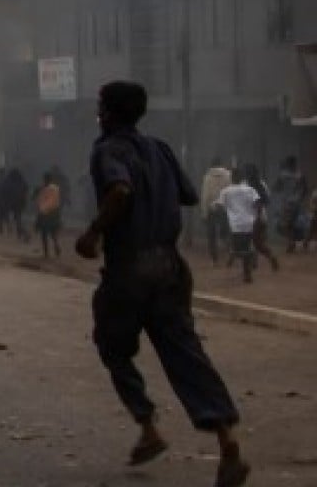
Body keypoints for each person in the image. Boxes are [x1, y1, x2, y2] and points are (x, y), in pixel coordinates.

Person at [74, 81, 249, 487]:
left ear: (110, 113)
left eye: (101, 107)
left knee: (111, 345)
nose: (98, 114)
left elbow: (119, 189)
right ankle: (228, 445)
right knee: (186, 355)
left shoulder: (107, 151)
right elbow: (188, 195)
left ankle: (148, 426)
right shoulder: (161, 149)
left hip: (130, 268)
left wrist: (93, 232)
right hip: (170, 266)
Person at [215, 168, 263, 284]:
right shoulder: (250, 190)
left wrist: (223, 212)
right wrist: (256, 217)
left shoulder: (226, 191)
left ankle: (246, 264)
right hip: (249, 223)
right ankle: (247, 271)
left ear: (231, 178)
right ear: (242, 178)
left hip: (235, 224)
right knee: (245, 247)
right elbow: (258, 204)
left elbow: (219, 206)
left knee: (238, 249)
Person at [236, 164, 280, 273]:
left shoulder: (243, 185)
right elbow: (267, 200)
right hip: (261, 218)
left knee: (246, 244)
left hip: (247, 218)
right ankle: (270, 257)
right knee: (258, 243)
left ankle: (248, 270)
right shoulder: (262, 184)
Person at [199, 158, 232, 266]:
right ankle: (229, 250)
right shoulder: (228, 175)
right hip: (225, 208)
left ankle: (214, 260)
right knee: (226, 233)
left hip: (212, 209)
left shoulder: (207, 177)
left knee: (211, 235)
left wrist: (204, 212)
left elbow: (205, 196)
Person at [272, 156, 308, 252]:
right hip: (297, 203)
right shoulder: (300, 175)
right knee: (293, 224)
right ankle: (293, 242)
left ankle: (291, 242)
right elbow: (305, 190)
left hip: (287, 203)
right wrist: (299, 198)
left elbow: (275, 187)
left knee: (284, 224)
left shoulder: (283, 175)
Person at [34, 172, 62, 258]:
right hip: (54, 213)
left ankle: (46, 252)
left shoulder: (44, 189)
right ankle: (56, 245)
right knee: (53, 232)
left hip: (45, 214)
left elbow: (40, 201)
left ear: (45, 180)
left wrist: (41, 209)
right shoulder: (56, 189)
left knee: (44, 234)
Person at [2, 167, 31, 242]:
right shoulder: (22, 182)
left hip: (12, 203)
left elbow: (5, 192)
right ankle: (20, 233)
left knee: (16, 219)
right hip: (20, 204)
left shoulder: (8, 182)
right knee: (18, 218)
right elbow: (26, 191)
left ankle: (24, 233)